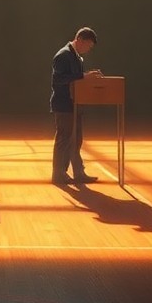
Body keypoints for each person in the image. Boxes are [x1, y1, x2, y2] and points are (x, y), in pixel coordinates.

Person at [50, 26, 102, 186]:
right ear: (80, 40)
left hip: (75, 103)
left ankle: (78, 172)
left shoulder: (76, 56)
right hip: (64, 104)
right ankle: (58, 174)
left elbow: (76, 79)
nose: (88, 50)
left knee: (76, 140)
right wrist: (84, 76)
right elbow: (58, 80)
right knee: (64, 139)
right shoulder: (63, 55)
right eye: (88, 46)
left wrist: (87, 77)